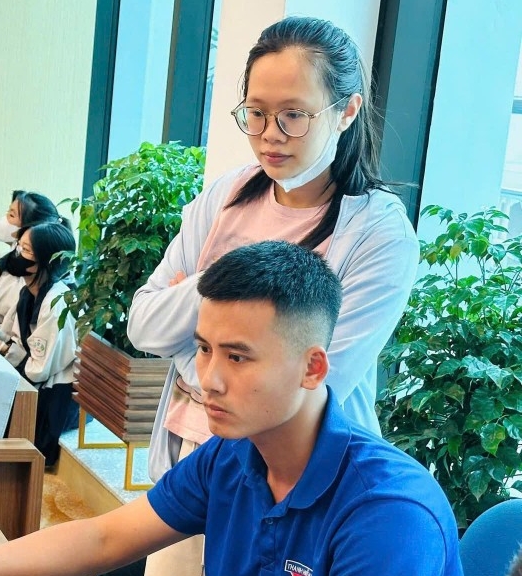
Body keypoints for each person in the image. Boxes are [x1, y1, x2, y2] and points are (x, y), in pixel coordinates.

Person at [0, 240, 463, 576]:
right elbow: (105, 536)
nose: (208, 380)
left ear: (313, 368)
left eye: (239, 357)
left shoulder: (387, 515)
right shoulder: (232, 458)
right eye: (203, 349)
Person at [127, 19, 420, 574]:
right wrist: (230, 299)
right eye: (256, 113)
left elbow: (314, 383)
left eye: (293, 115)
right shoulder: (227, 195)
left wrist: (193, 334)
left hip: (298, 487)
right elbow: (143, 325)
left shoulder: (378, 234)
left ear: (347, 111)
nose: (270, 134)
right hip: (193, 466)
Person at [0, 220, 77, 465]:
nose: (16, 253)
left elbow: (38, 369)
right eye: (19, 246)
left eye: (25, 250)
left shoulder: (57, 303)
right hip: (33, 382)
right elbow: (8, 333)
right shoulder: (28, 292)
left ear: (46, 261)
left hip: (54, 394)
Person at [0, 190, 62, 329]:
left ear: (31, 227)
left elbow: (16, 332)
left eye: (11, 215)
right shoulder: (2, 262)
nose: (4, 219)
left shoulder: (32, 276)